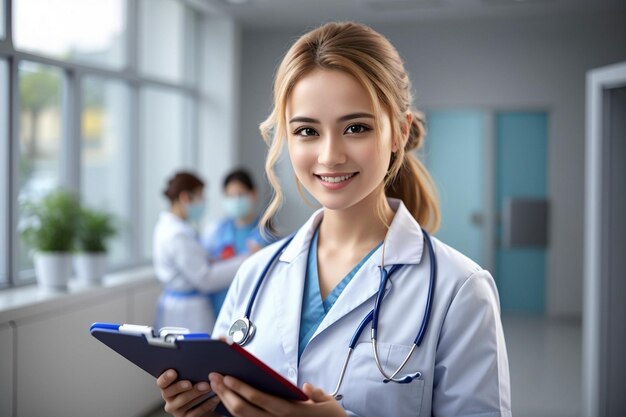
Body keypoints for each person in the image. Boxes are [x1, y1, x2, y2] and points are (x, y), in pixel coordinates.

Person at [156, 22, 511, 417]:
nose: (330, 155)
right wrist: (204, 409)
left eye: (356, 128)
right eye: (307, 131)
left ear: (399, 132)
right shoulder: (255, 275)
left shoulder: (459, 290)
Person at [153, 171, 248, 333]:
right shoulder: (177, 234)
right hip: (187, 313)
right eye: (200, 197)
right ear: (185, 198)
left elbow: (197, 264)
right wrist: (246, 260)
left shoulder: (173, 228)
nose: (203, 203)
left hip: (182, 307)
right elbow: (206, 278)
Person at [202, 168, 273, 318]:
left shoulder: (266, 234)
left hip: (252, 308)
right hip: (219, 307)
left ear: (253, 194)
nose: (235, 200)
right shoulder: (216, 231)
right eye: (230, 196)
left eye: (240, 195)